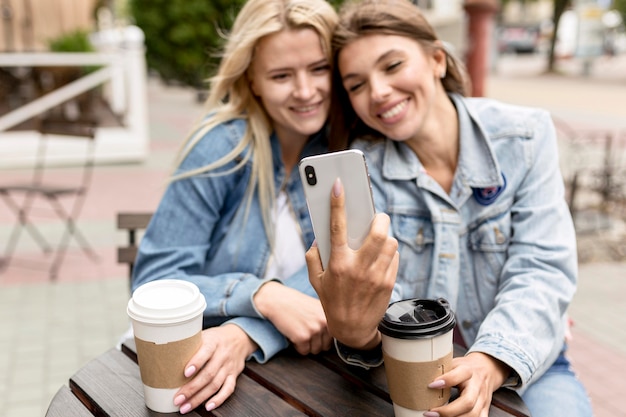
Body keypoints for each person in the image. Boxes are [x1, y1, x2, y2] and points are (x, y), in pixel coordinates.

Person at [305, 0, 593, 416]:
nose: (378, 92)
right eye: (357, 85)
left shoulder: (524, 137)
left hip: (520, 358)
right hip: (410, 367)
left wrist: (490, 361)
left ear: (437, 59)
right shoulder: (363, 170)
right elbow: (381, 300)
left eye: (392, 66)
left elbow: (542, 270)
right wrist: (358, 329)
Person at [130, 0, 338, 413]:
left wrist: (246, 334)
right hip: (205, 373)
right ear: (253, 81)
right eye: (281, 75)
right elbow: (154, 282)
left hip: (308, 377)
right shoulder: (221, 147)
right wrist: (261, 295)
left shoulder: (344, 151)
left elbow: (339, 283)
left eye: (319, 68)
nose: (305, 90)